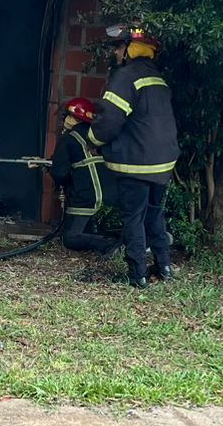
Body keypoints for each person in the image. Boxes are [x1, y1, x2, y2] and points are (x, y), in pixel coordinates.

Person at [91, 26, 178, 288]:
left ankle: (137, 274)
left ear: (130, 48)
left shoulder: (126, 76)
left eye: (119, 47)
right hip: (162, 163)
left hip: (137, 163)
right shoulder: (157, 78)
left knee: (134, 217)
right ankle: (163, 266)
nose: (116, 52)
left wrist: (93, 140)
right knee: (154, 215)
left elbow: (109, 120)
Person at [47, 96, 119, 255]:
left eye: (68, 116)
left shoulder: (68, 139)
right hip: (113, 197)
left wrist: (53, 170)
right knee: (99, 228)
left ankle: (108, 245)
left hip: (88, 198)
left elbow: (60, 173)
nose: (65, 119)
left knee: (71, 237)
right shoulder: (101, 136)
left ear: (75, 118)